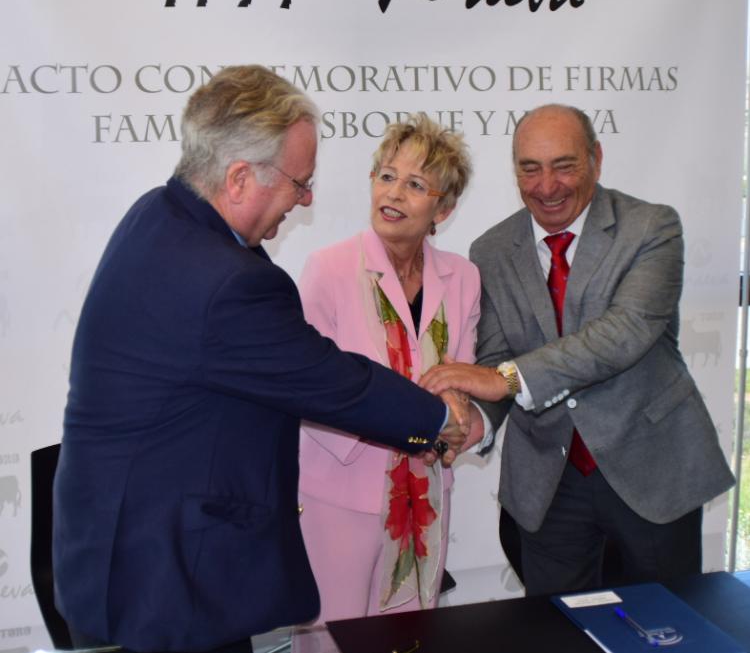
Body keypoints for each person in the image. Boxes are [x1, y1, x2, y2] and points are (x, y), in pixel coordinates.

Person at [52, 66, 468, 653]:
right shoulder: (227, 282)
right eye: (300, 182)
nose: (307, 199)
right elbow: (331, 381)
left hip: (120, 553)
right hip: (165, 587)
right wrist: (437, 419)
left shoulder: (159, 214)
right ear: (240, 177)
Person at [421, 103, 734, 596]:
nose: (547, 186)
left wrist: (503, 379)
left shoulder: (651, 228)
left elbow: (623, 334)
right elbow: (493, 358)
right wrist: (473, 420)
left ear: (596, 159)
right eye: (530, 169)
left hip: (650, 471)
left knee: (668, 626)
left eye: (564, 166)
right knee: (558, 629)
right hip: (549, 483)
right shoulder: (492, 250)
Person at [293, 116, 479, 653]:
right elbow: (310, 388)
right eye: (386, 176)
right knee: (333, 640)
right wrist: (411, 418)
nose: (393, 193)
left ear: (442, 210)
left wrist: (451, 419)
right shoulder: (327, 268)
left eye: (415, 185)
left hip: (425, 493)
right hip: (339, 490)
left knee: (408, 638)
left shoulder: (463, 276)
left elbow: (459, 381)